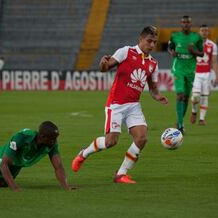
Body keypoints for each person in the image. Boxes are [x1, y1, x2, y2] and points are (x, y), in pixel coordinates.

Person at [71, 26, 168, 184]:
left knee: (142, 138)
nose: (151, 45)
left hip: (134, 106)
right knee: (111, 142)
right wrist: (103, 63)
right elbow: (105, 68)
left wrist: (158, 96)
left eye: (154, 42)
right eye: (149, 41)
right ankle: (84, 153)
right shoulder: (126, 52)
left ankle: (121, 174)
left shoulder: (153, 64)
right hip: (116, 104)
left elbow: (153, 88)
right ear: (140, 39)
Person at [168, 16, 204, 134]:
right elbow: (170, 47)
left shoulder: (196, 37)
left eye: (188, 22)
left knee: (186, 98)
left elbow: (202, 53)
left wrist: (194, 52)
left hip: (191, 70)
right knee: (180, 94)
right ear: (181, 24)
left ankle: (179, 122)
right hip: (178, 68)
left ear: (191, 24)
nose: (186, 24)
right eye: (184, 22)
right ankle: (180, 125)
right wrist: (172, 52)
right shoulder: (175, 36)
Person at [190, 24, 218, 126]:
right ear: (199, 32)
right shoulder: (194, 44)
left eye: (206, 30)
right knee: (195, 97)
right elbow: (190, 59)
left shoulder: (212, 45)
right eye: (202, 30)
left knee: (204, 97)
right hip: (196, 74)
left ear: (208, 32)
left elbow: (215, 61)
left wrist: (217, 76)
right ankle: (194, 111)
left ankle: (202, 119)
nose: (204, 32)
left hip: (207, 74)